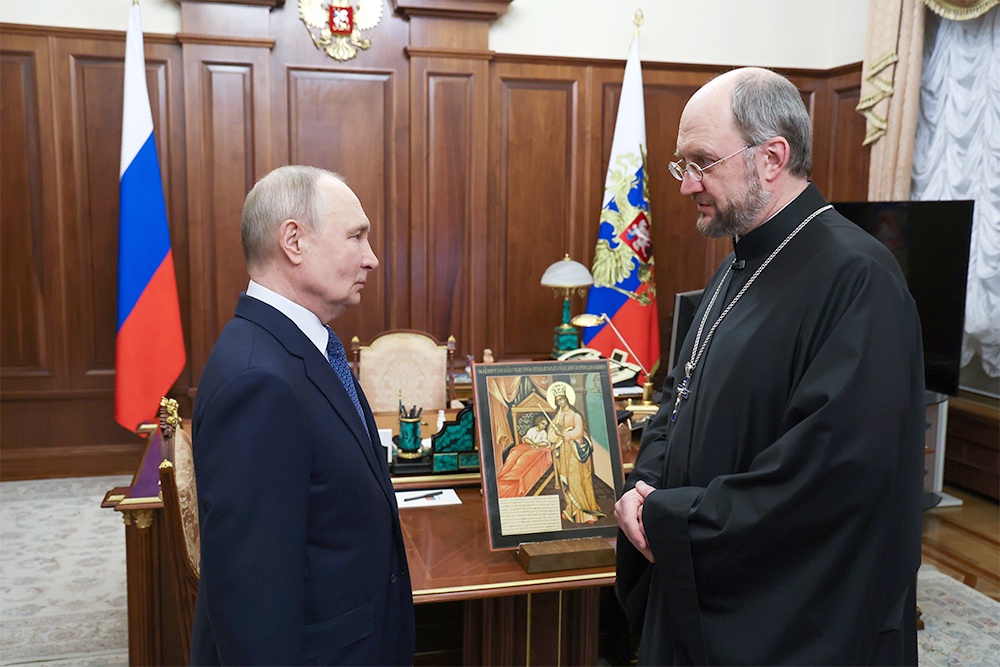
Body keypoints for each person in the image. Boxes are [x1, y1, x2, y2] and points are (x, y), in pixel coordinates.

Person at [614, 67, 925, 665]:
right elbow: (677, 398)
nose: (687, 185)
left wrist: (674, 519)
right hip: (691, 572)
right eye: (683, 166)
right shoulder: (737, 264)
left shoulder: (859, 278)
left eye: (703, 163)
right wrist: (642, 489)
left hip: (785, 619)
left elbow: (828, 476)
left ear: (772, 158)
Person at [191, 165, 414, 665]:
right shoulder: (259, 381)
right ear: (293, 241)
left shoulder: (300, 346)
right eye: (356, 236)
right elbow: (253, 601)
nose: (372, 258)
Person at [547, 382, 607, 523]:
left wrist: (566, 434)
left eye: (561, 399)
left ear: (566, 399)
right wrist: (555, 431)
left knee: (577, 480)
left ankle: (587, 513)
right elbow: (551, 435)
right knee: (567, 481)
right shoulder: (558, 416)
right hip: (564, 453)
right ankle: (572, 510)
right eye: (557, 400)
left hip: (575, 452)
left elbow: (579, 431)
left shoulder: (575, 415)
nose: (560, 402)